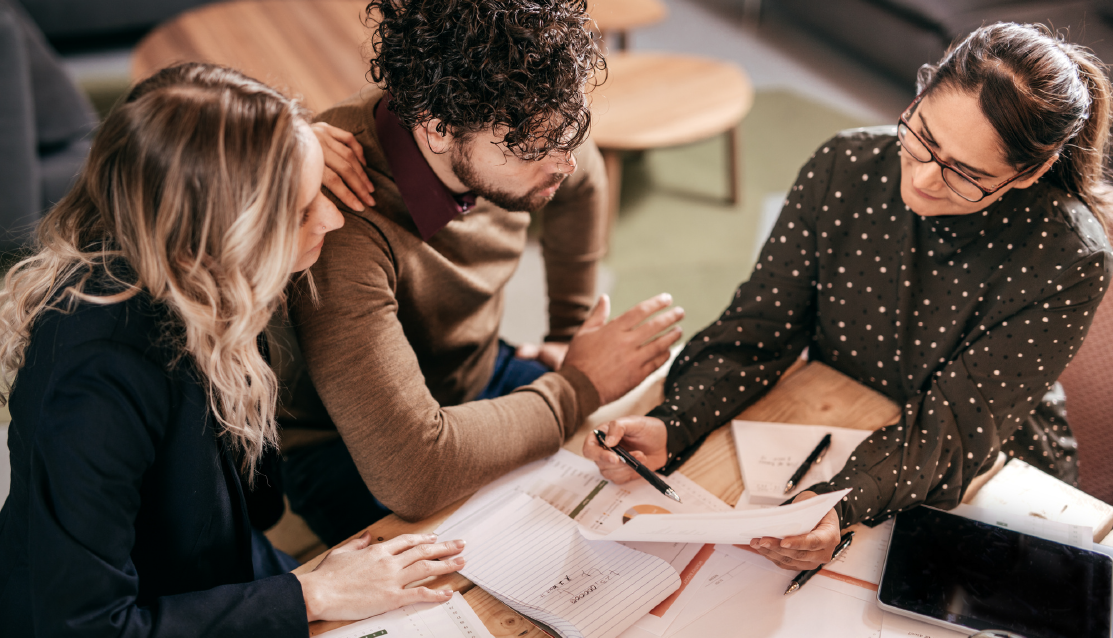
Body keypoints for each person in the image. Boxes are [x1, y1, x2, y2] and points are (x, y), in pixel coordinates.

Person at [585, 22, 1113, 571]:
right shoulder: (846, 167)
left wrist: (841, 502)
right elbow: (758, 327)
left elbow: (952, 431)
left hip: (986, 466)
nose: (926, 178)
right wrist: (676, 422)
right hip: (839, 420)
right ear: (922, 91)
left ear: (1031, 172)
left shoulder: (1068, 258)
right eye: (923, 136)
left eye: (965, 173)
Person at [0, 63, 466, 637]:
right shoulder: (98, 379)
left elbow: (252, 505)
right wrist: (311, 593)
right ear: (215, 236)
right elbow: (87, 627)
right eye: (297, 211)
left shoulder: (203, 284)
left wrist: (290, 153)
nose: (333, 216)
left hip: (223, 570)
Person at [277, 0, 684, 543]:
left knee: (628, 462)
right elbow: (413, 473)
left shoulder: (531, 120)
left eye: (570, 133)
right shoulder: (341, 215)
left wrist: (565, 333)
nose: (564, 160)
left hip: (471, 373)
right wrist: (578, 386)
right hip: (349, 444)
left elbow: (582, 180)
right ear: (439, 128)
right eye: (539, 148)